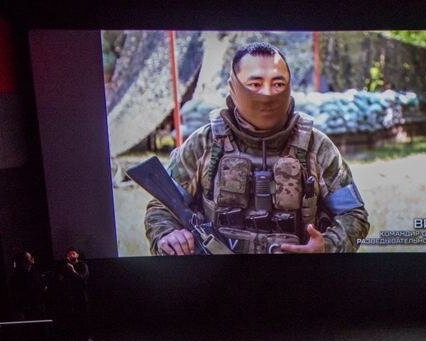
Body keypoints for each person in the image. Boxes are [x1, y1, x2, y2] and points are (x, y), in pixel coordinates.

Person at [145, 41, 369, 255]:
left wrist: (326, 247)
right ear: (233, 88)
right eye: (255, 84)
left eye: (278, 84)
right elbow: (162, 206)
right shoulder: (204, 143)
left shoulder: (316, 146)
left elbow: (354, 214)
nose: (267, 93)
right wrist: (169, 234)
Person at [53, 248, 92, 341]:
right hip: (69, 297)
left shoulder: (83, 265)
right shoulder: (64, 267)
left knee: (84, 317)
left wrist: (73, 271)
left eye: (73, 253)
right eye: (69, 254)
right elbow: (59, 281)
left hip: (81, 296)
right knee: (71, 319)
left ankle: (87, 338)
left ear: (77, 255)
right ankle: (73, 340)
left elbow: (82, 279)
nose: (71, 255)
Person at [10, 251, 47, 320]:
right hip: (28, 312)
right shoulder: (17, 278)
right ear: (23, 261)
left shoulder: (35, 273)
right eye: (28, 257)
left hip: (39, 310)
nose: (32, 258)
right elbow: (16, 296)